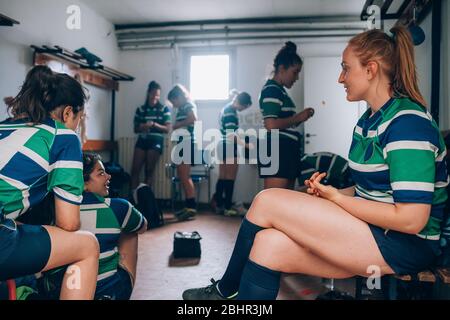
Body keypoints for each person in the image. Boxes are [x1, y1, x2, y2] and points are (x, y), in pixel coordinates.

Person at [182, 26, 448, 300]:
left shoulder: (408, 123)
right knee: (267, 244)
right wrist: (330, 195)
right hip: (378, 231)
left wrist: (337, 199)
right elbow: (370, 191)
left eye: (346, 68)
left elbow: (412, 219)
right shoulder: (368, 122)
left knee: (266, 200)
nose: (340, 78)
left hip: (406, 244)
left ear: (370, 70)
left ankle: (224, 291)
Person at [0, 65, 99, 300]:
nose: (77, 124)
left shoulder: (4, 127)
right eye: (79, 118)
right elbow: (68, 223)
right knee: (87, 246)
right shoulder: (63, 137)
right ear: (67, 114)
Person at [41, 153, 147, 300]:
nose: (108, 176)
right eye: (101, 173)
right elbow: (143, 226)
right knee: (130, 230)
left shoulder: (49, 210)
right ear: (84, 184)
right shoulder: (117, 207)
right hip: (107, 290)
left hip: (57, 291)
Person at [258, 41, 315, 190]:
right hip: (278, 149)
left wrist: (300, 118)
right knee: (275, 201)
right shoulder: (272, 89)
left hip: (285, 149)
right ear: (282, 69)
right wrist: (298, 117)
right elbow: (271, 125)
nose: (296, 78)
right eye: (295, 72)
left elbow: (282, 123)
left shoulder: (279, 91)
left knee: (284, 200)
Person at [214, 91, 253, 216]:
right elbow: (231, 134)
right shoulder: (231, 112)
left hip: (222, 144)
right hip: (229, 145)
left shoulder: (226, 108)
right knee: (230, 177)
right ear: (243, 104)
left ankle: (219, 206)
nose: (243, 110)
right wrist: (246, 145)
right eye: (245, 107)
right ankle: (227, 207)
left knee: (223, 176)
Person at [130, 81, 171, 190]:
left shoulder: (164, 109)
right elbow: (135, 129)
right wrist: (143, 126)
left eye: (157, 95)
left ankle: (145, 199)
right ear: (148, 93)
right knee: (135, 170)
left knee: (149, 170)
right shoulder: (141, 109)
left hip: (156, 142)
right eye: (153, 94)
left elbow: (167, 129)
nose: (155, 97)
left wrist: (154, 125)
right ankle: (135, 199)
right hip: (142, 141)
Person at [168, 84, 198, 221]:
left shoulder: (187, 105)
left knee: (185, 176)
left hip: (186, 143)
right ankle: (189, 206)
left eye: (174, 101)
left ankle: (191, 207)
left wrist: (177, 126)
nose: (173, 105)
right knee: (183, 175)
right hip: (182, 143)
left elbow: (193, 118)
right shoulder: (181, 107)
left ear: (178, 97)